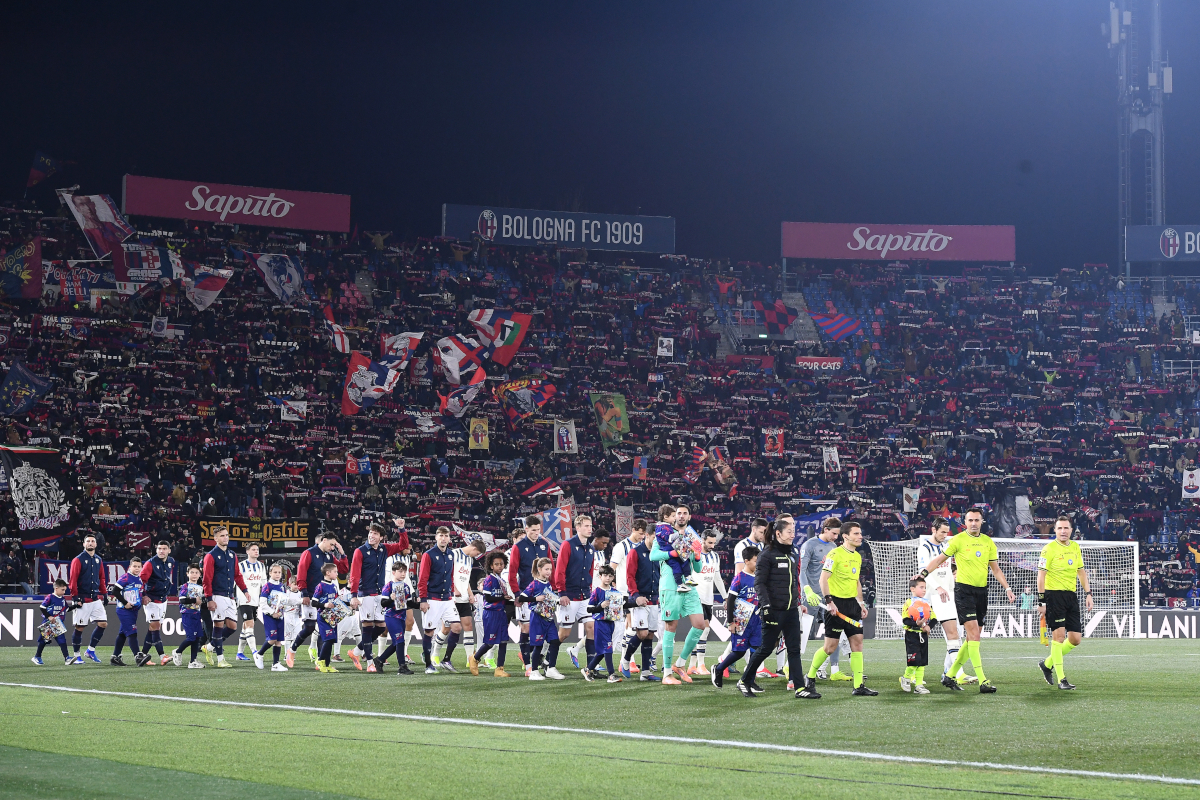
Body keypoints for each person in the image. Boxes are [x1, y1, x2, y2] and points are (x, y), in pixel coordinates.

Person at [918, 507, 1016, 694]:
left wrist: (1007, 588)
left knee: (972, 637)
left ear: (982, 522)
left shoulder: (988, 542)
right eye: (970, 520)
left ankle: (950, 675)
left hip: (982, 592)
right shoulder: (957, 540)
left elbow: (995, 569)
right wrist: (923, 573)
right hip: (963, 592)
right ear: (965, 522)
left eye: (976, 520)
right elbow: (939, 560)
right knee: (974, 636)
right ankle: (983, 681)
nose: (973, 523)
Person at [803, 521, 876, 697]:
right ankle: (810, 677)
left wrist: (861, 603)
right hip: (836, 604)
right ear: (845, 536)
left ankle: (858, 685)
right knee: (830, 647)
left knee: (857, 644)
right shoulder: (834, 554)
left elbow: (856, 581)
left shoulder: (857, 556)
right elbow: (823, 579)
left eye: (860, 533)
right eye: (856, 534)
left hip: (852, 605)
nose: (860, 537)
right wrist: (829, 602)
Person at [741, 515, 811, 698]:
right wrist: (765, 606)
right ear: (778, 533)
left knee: (794, 650)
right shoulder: (767, 554)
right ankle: (745, 680)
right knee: (765, 648)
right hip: (773, 610)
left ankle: (800, 688)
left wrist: (798, 602)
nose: (792, 535)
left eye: (793, 531)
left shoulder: (793, 553)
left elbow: (794, 581)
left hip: (791, 610)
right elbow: (760, 583)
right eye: (789, 531)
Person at [650, 505, 709, 685]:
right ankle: (667, 673)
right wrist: (672, 552)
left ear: (689, 517)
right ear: (674, 517)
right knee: (671, 627)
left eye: (684, 513)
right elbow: (653, 556)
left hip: (689, 585)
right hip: (670, 586)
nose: (681, 516)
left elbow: (697, 568)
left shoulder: (692, 538)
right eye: (678, 513)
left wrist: (697, 555)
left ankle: (680, 664)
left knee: (700, 624)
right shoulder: (664, 535)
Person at [1037, 516, 1093, 690]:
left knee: (1075, 639)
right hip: (1054, 596)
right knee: (1058, 637)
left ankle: (1047, 664)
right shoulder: (1048, 549)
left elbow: (1081, 572)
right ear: (1055, 530)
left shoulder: (1075, 547)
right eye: (1059, 528)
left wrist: (1088, 593)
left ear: (1071, 530)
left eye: (1066, 528)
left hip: (1071, 596)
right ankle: (1062, 679)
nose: (1063, 531)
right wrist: (1041, 600)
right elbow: (1041, 576)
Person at [918, 518, 975, 685]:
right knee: (951, 634)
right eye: (942, 532)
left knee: (956, 634)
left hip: (949, 595)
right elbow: (923, 572)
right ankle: (957, 673)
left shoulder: (945, 547)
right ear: (933, 529)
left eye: (946, 532)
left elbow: (949, 572)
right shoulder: (924, 548)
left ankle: (947, 672)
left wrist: (953, 589)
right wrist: (938, 588)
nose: (945, 535)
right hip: (935, 597)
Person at [349, 522, 410, 671]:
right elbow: (355, 574)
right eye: (371, 532)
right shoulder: (360, 551)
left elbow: (403, 545)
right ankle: (370, 662)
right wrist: (354, 595)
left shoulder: (384, 549)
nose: (372, 535)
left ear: (381, 537)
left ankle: (356, 652)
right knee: (368, 627)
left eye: (376, 533)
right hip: (365, 594)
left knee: (382, 627)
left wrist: (401, 528)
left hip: (380, 593)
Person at [288, 533, 350, 668]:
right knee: (310, 627)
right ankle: (292, 650)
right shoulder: (309, 553)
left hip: (326, 598)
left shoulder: (329, 556)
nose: (332, 547)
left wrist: (342, 553)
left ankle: (322, 662)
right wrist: (304, 593)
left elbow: (343, 569)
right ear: (324, 540)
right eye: (331, 544)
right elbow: (301, 573)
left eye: (334, 545)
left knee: (325, 629)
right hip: (311, 595)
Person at [799, 517, 848, 681]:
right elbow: (802, 571)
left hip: (827, 598)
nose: (836, 537)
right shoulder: (809, 545)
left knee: (834, 633)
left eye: (837, 534)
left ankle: (834, 671)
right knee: (802, 636)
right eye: (834, 533)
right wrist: (807, 590)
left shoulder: (834, 547)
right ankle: (791, 668)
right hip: (810, 598)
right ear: (826, 529)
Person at [432, 537, 486, 670]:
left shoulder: (469, 559)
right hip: (451, 598)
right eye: (477, 553)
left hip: (464, 597)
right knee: (447, 628)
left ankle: (470, 660)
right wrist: (454, 589)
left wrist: (471, 594)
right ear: (474, 548)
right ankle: (435, 654)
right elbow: (447, 573)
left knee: (468, 627)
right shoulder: (453, 554)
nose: (477, 556)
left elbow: (465, 579)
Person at [711, 546, 760, 688]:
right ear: (746, 561)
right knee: (739, 651)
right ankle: (719, 668)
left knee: (756, 650)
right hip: (741, 619)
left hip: (756, 620)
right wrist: (731, 622)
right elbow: (730, 600)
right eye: (756, 561)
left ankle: (750, 680)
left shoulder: (760, 577)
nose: (758, 563)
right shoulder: (739, 578)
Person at [201, 526, 250, 668]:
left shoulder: (232, 555)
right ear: (215, 538)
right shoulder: (210, 555)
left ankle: (209, 647)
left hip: (230, 596)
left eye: (227, 535)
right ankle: (220, 659)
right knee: (218, 625)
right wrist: (209, 598)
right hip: (217, 595)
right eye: (222, 535)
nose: (225, 538)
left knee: (232, 626)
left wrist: (245, 590)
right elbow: (207, 579)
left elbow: (237, 575)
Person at [507, 514, 550, 674]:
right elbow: (512, 573)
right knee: (525, 628)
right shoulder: (517, 547)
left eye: (538, 530)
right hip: (526, 593)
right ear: (526, 529)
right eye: (533, 530)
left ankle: (534, 658)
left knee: (544, 629)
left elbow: (550, 570)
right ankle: (528, 665)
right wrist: (517, 594)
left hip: (544, 595)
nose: (536, 533)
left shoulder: (544, 545)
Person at [553, 513, 595, 666]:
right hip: (569, 596)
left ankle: (591, 666)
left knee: (591, 627)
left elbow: (590, 572)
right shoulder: (568, 544)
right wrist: (562, 593)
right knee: (564, 634)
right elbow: (560, 570)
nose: (590, 529)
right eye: (586, 526)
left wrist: (589, 590)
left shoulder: (590, 548)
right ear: (577, 528)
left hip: (585, 596)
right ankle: (546, 658)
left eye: (590, 526)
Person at [620, 528, 660, 682]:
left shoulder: (658, 553)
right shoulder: (635, 552)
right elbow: (629, 576)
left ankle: (645, 672)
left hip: (654, 598)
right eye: (655, 538)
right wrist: (635, 596)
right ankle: (626, 659)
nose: (657, 541)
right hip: (640, 599)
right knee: (642, 633)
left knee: (650, 635)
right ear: (647, 536)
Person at [418, 526, 458, 673]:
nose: (443, 538)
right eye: (440, 535)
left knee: (457, 627)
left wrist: (452, 593)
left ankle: (446, 660)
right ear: (436, 537)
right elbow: (422, 578)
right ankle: (428, 664)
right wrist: (423, 599)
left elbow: (451, 576)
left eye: (446, 535)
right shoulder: (428, 555)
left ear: (449, 538)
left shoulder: (451, 555)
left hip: (447, 599)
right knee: (429, 632)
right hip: (432, 598)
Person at [609, 519, 646, 672]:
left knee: (629, 626)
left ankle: (628, 660)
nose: (642, 537)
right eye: (640, 533)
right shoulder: (621, 546)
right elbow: (611, 567)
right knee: (629, 626)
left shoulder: (643, 546)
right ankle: (625, 660)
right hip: (624, 592)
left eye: (644, 534)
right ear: (633, 529)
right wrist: (611, 585)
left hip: (637, 591)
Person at [688, 528, 727, 676]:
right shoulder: (694, 555)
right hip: (695, 596)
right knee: (704, 629)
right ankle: (701, 664)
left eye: (714, 543)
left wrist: (725, 597)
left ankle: (692, 665)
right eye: (709, 542)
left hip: (708, 598)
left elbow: (717, 578)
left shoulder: (715, 557)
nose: (712, 545)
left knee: (698, 631)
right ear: (703, 540)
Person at [520, 557, 565, 680]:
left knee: (555, 642)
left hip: (549, 618)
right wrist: (536, 599)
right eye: (546, 569)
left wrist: (557, 601)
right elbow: (522, 598)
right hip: (537, 618)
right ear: (539, 569)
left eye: (550, 569)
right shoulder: (534, 584)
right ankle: (534, 671)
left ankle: (551, 668)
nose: (549, 572)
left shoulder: (549, 584)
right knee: (538, 645)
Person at [469, 551, 512, 677]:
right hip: (491, 613)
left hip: (501, 613)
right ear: (491, 566)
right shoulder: (489, 580)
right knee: (490, 642)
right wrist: (503, 597)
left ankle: (499, 669)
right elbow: (488, 598)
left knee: (504, 641)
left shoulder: (502, 580)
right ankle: (475, 658)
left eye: (501, 564)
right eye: (496, 564)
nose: (499, 566)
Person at [68, 533, 108, 664]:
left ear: (96, 544)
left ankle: (90, 650)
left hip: (95, 598)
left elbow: (101, 577)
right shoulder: (78, 560)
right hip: (82, 598)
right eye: (88, 541)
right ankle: (76, 655)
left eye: (92, 541)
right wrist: (75, 597)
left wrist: (105, 593)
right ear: (84, 544)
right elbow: (73, 580)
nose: (90, 543)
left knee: (103, 623)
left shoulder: (98, 560)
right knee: (80, 627)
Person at [375, 561, 420, 674]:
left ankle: (379, 660)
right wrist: (391, 599)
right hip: (391, 616)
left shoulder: (406, 587)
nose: (403, 574)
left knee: (397, 642)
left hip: (401, 617)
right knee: (400, 640)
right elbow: (383, 603)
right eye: (400, 571)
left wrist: (420, 604)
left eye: (405, 571)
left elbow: (409, 604)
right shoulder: (388, 586)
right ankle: (402, 667)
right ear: (393, 572)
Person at [138, 541, 177, 665]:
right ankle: (162, 656)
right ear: (156, 550)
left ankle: (143, 655)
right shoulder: (150, 563)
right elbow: (140, 581)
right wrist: (143, 595)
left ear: (169, 550)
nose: (161, 551)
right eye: (159, 548)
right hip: (151, 600)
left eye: (164, 548)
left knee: (153, 628)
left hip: (163, 599)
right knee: (156, 626)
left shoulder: (171, 561)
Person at [582, 565, 623, 682]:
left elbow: (621, 605)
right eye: (605, 575)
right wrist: (601, 606)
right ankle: (611, 674)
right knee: (608, 648)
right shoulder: (596, 591)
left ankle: (587, 669)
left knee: (602, 651)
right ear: (600, 576)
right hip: (600, 623)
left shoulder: (615, 592)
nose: (608, 578)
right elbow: (589, 609)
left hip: (611, 623)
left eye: (610, 576)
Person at [253, 561, 292, 671]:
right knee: (272, 639)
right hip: (269, 616)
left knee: (279, 640)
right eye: (275, 572)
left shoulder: (282, 586)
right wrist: (272, 612)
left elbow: (283, 601)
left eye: (279, 572)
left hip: (279, 616)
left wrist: (281, 611)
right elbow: (263, 603)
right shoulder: (267, 586)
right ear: (270, 573)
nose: (277, 574)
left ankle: (275, 664)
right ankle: (259, 654)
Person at [108, 556, 146, 666]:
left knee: (123, 634)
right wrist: (125, 603)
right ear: (130, 567)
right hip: (124, 609)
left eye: (139, 566)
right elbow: (115, 591)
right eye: (134, 566)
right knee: (132, 632)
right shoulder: (125, 577)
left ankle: (115, 657)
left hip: (133, 610)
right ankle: (138, 656)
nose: (137, 568)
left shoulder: (139, 579)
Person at [235, 542, 268, 662]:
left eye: (257, 549)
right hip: (244, 600)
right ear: (247, 551)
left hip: (255, 601)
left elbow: (264, 584)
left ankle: (239, 653)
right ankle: (255, 652)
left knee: (245, 627)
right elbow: (235, 582)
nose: (256, 551)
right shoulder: (240, 565)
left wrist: (265, 598)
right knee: (250, 625)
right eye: (253, 549)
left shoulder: (261, 566)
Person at [313, 562, 349, 673]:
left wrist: (348, 605)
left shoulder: (333, 586)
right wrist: (325, 605)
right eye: (335, 571)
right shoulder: (320, 586)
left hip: (332, 616)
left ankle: (327, 664)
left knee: (332, 640)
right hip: (323, 616)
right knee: (328, 639)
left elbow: (337, 601)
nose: (337, 573)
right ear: (328, 573)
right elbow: (314, 602)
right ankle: (320, 660)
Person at [900, 577, 934, 695]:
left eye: (925, 587)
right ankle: (906, 677)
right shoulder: (909, 603)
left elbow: (934, 618)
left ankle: (918, 685)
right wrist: (916, 624)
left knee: (922, 662)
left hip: (923, 636)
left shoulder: (927, 603)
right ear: (912, 589)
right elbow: (905, 620)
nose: (924, 590)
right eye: (921, 587)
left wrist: (929, 626)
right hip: (912, 635)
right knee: (914, 661)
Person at [33, 579, 75, 666]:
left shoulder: (62, 599)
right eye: (62, 590)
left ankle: (67, 658)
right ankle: (37, 656)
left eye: (64, 590)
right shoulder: (50, 597)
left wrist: (76, 606)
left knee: (62, 641)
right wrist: (49, 616)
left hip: (57, 623)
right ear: (56, 588)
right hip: (49, 622)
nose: (64, 592)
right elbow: (42, 607)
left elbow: (67, 609)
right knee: (44, 640)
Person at [173, 565, 206, 669]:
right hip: (187, 613)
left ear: (200, 575)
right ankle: (178, 651)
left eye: (196, 573)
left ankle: (193, 661)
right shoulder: (185, 586)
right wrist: (194, 600)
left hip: (197, 614)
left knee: (196, 638)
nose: (194, 575)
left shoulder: (201, 588)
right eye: (192, 572)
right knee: (191, 638)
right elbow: (182, 599)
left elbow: (201, 601)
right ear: (187, 574)